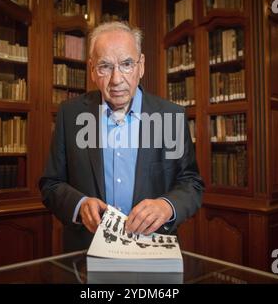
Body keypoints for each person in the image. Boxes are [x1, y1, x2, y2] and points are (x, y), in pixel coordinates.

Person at [39, 21, 204, 252]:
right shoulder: (70, 114)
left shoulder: (171, 116)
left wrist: (167, 206)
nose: (116, 79)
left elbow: (191, 183)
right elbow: (51, 184)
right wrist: (79, 205)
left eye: (127, 64)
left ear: (141, 66)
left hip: (152, 251)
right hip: (86, 251)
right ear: (92, 70)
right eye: (105, 66)